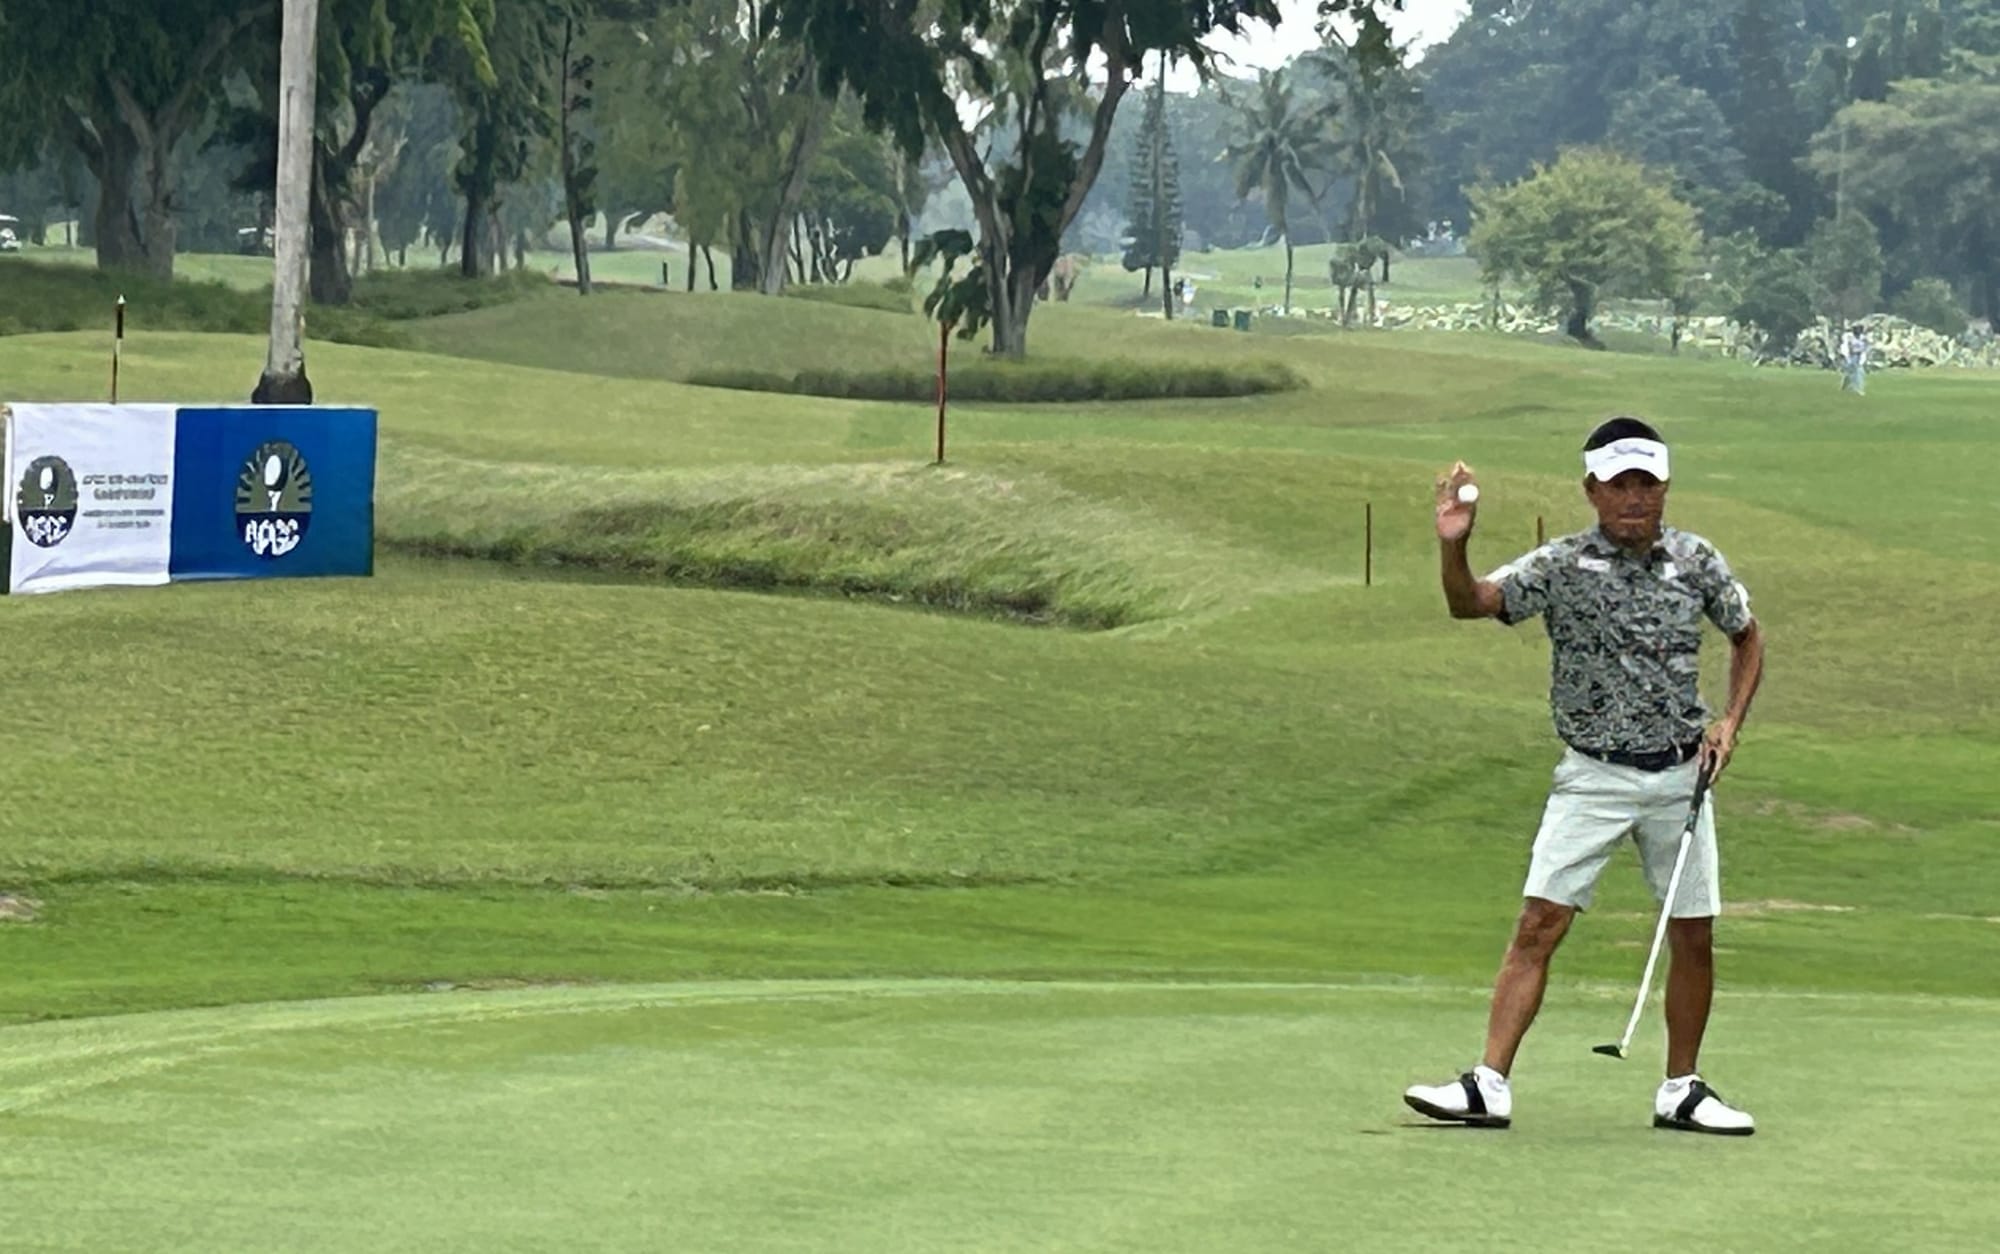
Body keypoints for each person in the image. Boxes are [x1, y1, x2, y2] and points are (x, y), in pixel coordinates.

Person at [1403, 416, 1767, 1136]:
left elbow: (1747, 635)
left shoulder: (1696, 560)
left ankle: (1682, 1089)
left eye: (1646, 483)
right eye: (1618, 484)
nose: (1634, 498)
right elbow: (1469, 602)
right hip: (1593, 774)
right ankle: (1489, 1084)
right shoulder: (1561, 565)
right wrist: (1456, 545)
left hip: (1678, 775)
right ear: (1591, 491)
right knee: (1539, 923)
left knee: (1692, 933)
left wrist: (1729, 723)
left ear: (1663, 487)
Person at [1840, 324, 1870, 394]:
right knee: (1855, 373)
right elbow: (1850, 348)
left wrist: (1864, 356)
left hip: (1859, 356)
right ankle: (1857, 389)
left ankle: (1846, 387)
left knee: (1853, 373)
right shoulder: (1850, 337)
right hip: (1852, 357)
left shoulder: (1863, 338)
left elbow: (1866, 347)